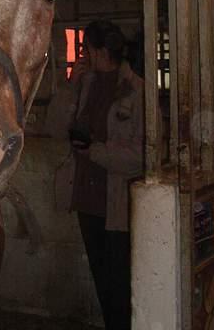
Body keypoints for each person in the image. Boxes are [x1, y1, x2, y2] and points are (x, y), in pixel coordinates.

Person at [48, 20, 144, 330]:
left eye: (87, 48)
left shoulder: (136, 90)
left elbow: (140, 156)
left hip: (117, 202)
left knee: (121, 283)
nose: (84, 55)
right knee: (103, 280)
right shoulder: (85, 83)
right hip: (87, 199)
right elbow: (54, 129)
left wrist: (96, 151)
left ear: (98, 50)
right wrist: (67, 87)